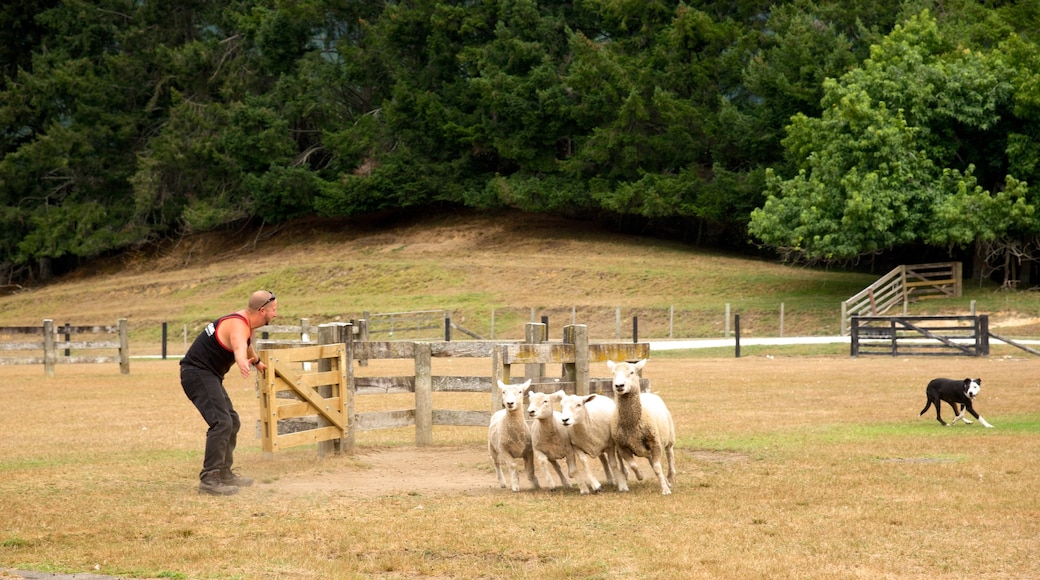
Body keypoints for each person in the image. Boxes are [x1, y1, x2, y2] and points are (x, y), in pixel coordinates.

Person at [180, 290, 278, 495]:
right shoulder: (239, 325)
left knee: (232, 420)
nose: (275, 314)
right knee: (222, 422)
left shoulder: (244, 321)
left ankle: (224, 473)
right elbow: (239, 344)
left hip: (207, 375)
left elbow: (246, 344)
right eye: (273, 310)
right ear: (262, 311)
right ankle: (209, 479)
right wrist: (242, 361)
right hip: (197, 374)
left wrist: (257, 363)